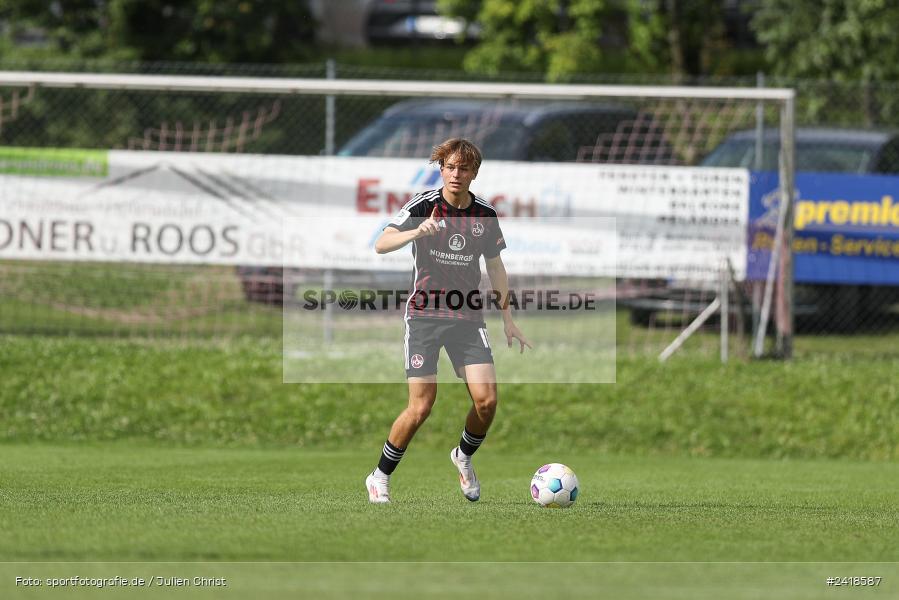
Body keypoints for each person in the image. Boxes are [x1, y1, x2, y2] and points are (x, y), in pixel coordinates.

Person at [365, 138, 531, 504]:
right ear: (441, 168)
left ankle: (463, 455)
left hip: (468, 317)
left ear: (474, 173)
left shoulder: (484, 214)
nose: (456, 174)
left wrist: (508, 317)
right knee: (422, 406)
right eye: (450, 167)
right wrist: (417, 231)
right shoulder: (425, 204)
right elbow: (381, 243)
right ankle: (379, 476)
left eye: (464, 168)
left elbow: (495, 266)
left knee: (487, 402)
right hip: (424, 316)